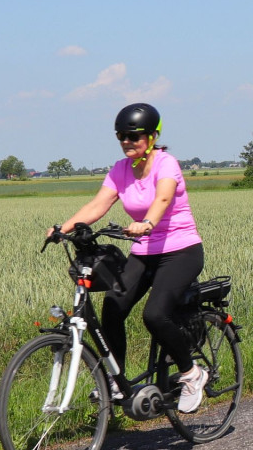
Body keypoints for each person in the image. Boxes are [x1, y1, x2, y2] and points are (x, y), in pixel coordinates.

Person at [51, 103, 208, 413]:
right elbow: (99, 205)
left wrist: (147, 222)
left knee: (155, 315)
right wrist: (63, 228)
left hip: (181, 251)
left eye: (134, 136)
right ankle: (118, 380)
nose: (127, 142)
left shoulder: (167, 164)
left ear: (152, 137)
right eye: (121, 136)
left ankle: (192, 373)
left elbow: (163, 198)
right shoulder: (120, 170)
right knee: (113, 308)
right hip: (143, 252)